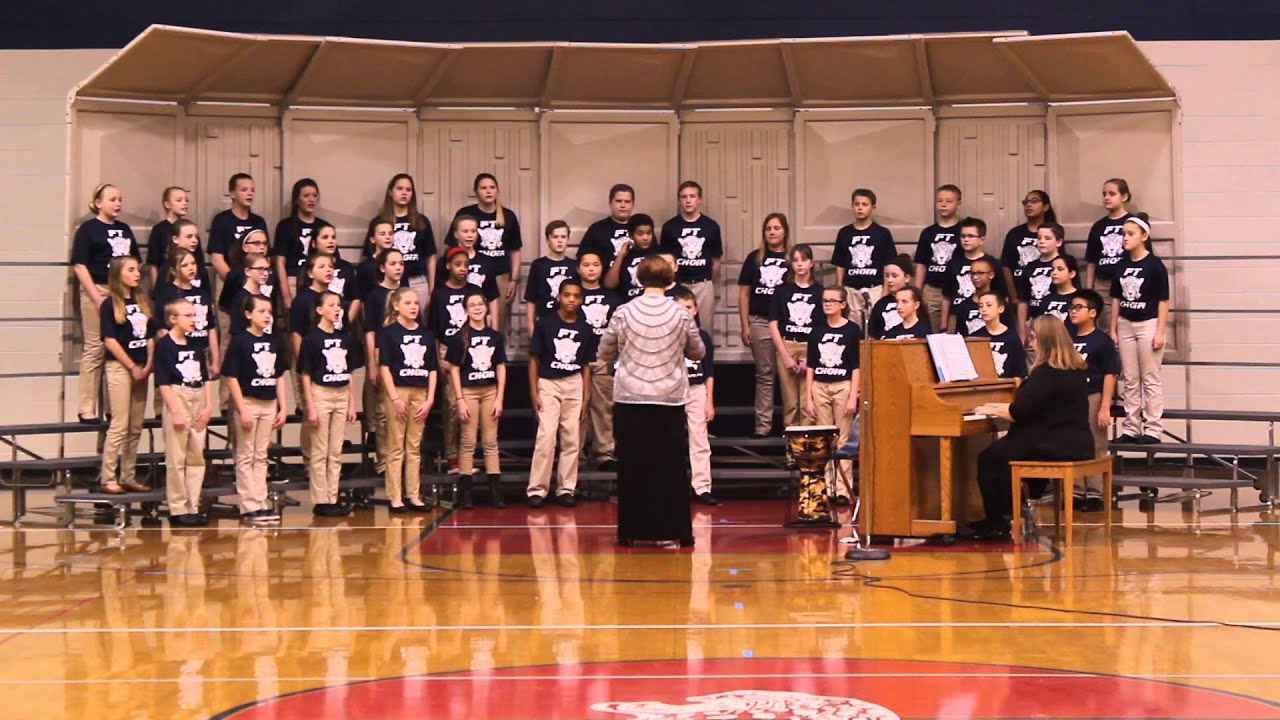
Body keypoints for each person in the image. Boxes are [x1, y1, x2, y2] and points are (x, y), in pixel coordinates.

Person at [598, 255, 705, 547]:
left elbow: (605, 352)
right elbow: (698, 352)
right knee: (670, 468)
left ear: (639, 279)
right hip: (668, 400)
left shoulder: (623, 312)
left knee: (633, 467)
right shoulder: (681, 314)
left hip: (630, 398)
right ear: (670, 280)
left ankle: (631, 532)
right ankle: (678, 532)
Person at [972, 316, 1094, 540]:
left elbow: (1020, 412)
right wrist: (997, 407)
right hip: (1073, 441)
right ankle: (1014, 513)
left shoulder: (1047, 373)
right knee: (1005, 451)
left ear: (1046, 341)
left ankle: (998, 522)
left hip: (1053, 443)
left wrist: (990, 409)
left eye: (1034, 338)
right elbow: (1032, 407)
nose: (1031, 343)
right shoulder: (1072, 369)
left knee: (989, 458)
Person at [71, 183, 140, 424]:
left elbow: (134, 261)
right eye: (112, 199)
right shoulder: (88, 229)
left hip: (120, 291)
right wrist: (97, 297)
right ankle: (86, 406)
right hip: (98, 288)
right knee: (95, 347)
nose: (118, 203)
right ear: (98, 203)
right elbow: (80, 265)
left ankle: (115, 407)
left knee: (118, 347)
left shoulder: (124, 229)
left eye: (120, 199)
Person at [527, 279, 596, 508]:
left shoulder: (585, 328)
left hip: (574, 382)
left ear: (581, 300)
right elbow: (534, 359)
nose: (571, 300)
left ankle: (566, 488)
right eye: (567, 295)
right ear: (559, 297)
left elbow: (586, 365)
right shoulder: (546, 323)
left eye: (576, 296)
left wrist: (586, 397)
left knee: (572, 439)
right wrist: (534, 392)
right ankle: (537, 489)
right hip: (548, 382)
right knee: (546, 437)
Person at [223, 295, 288, 525]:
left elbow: (279, 375)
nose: (267, 315)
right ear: (248, 314)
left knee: (261, 455)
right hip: (248, 402)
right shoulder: (240, 341)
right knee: (246, 455)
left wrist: (283, 405)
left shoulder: (275, 341)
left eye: (269, 311)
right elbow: (231, 377)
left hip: (268, 402)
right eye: (261, 311)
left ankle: (261, 502)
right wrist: (242, 409)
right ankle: (248, 505)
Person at [1110, 213, 1170, 445]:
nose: (1125, 238)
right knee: (1130, 378)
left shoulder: (1155, 266)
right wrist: (1113, 327)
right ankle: (1131, 427)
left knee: (1150, 378)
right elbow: (1115, 297)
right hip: (1126, 323)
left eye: (1130, 234)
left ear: (1144, 236)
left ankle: (1153, 429)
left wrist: (1160, 332)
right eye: (1123, 234)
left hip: (1148, 323)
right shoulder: (1121, 264)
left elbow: (1164, 301)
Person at [378, 287, 438, 513]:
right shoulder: (389, 333)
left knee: (414, 447)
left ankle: (414, 494)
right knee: (396, 447)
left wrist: (430, 398)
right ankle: (395, 496)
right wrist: (394, 398)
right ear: (396, 306)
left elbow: (432, 368)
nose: (413, 307)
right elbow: (384, 367)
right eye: (408, 303)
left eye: (415, 303)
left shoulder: (426, 334)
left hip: (420, 393)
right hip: (398, 392)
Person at [428, 247, 488, 470]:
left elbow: (484, 321)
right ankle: (453, 455)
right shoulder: (439, 294)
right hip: (447, 350)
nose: (462, 269)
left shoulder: (474, 290)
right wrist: (436, 362)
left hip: (474, 349)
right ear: (448, 266)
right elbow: (433, 332)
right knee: (453, 404)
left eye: (465, 264)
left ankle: (468, 454)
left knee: (473, 404)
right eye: (457, 264)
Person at [447, 289, 507, 509]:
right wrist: (460, 398)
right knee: (468, 441)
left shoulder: (495, 337)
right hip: (469, 391)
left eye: (480, 304)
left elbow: (500, 367)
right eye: (472, 305)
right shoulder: (459, 337)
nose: (478, 308)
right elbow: (453, 369)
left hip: (490, 390)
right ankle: (466, 492)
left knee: (491, 442)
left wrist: (500, 397)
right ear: (466, 310)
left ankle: (495, 491)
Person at [155, 298, 213, 527]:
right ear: (173, 319)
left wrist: (208, 406)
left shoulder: (195, 344)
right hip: (178, 396)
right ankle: (178, 507)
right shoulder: (164, 346)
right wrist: (176, 411)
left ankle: (193, 505)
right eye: (187, 315)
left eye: (194, 315)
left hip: (197, 395)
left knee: (197, 456)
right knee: (177, 457)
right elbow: (163, 381)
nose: (193, 319)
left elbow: (205, 376)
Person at [299, 291, 357, 517]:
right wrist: (310, 405)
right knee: (320, 450)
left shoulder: (345, 337)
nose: (337, 309)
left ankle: (332, 497)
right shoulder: (312, 337)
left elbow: (349, 372)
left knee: (335, 450)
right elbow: (305, 374)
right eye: (331, 305)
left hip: (341, 392)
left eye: (339, 305)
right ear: (319, 309)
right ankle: (320, 499)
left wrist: (351, 403)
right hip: (321, 392)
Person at [98, 256, 153, 494]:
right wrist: (131, 366)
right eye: (131, 270)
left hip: (142, 367)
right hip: (121, 367)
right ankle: (108, 476)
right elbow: (109, 340)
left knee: (135, 425)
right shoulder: (110, 304)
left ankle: (129, 475)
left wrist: (148, 364)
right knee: (120, 424)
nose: (137, 273)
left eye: (137, 269)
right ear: (119, 274)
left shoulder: (143, 301)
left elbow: (150, 335)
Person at [804, 285, 861, 504]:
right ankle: (827, 486)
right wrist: (808, 396)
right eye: (825, 300)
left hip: (843, 385)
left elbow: (856, 366)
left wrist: (853, 394)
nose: (827, 304)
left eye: (832, 301)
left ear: (843, 305)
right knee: (825, 438)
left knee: (843, 439)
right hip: (820, 385)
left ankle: (842, 490)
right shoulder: (816, 330)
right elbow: (811, 365)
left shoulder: (852, 330)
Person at [737, 213, 790, 437]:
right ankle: (763, 425)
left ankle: (793, 424)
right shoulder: (755, 258)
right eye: (768, 228)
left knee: (789, 376)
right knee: (765, 373)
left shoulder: (792, 258)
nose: (772, 232)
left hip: (788, 324)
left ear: (785, 231)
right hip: (760, 321)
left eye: (777, 228)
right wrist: (745, 325)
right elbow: (744, 294)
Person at [1068, 289, 1119, 511]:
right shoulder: (1067, 337)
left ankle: (1096, 493)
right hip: (1070, 397)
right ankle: (1076, 491)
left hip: (1093, 395)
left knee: (1096, 444)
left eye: (1078, 307)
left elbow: (1110, 373)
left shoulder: (1102, 341)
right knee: (1073, 444)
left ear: (1092, 312)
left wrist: (1104, 406)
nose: (1073, 311)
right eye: (1071, 307)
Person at [456, 173, 522, 334]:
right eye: (483, 188)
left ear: (497, 191)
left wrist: (513, 280)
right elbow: (455, 248)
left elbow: (515, 251)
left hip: (500, 277)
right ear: (476, 191)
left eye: (492, 187)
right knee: (466, 322)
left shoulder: (508, 216)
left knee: (495, 326)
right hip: (472, 275)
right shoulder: (467, 214)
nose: (488, 191)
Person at [672, 287, 718, 506]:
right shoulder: (667, 334)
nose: (686, 312)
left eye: (689, 307)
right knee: (670, 439)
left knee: (699, 439)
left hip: (697, 388)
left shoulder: (703, 337)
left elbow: (709, 370)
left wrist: (709, 400)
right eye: (680, 308)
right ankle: (672, 486)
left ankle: (702, 486)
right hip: (671, 389)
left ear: (696, 309)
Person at [577, 249, 621, 470]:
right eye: (586, 264)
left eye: (595, 264)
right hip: (577, 360)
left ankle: (604, 451)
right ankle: (576, 452)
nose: (591, 268)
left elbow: (618, 332)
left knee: (603, 406)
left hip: (603, 358)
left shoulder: (611, 298)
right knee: (578, 407)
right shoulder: (573, 296)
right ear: (578, 268)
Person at [363, 248, 406, 475]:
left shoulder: (406, 294)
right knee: (381, 411)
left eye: (401, 263)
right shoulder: (375, 295)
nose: (398, 267)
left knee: (400, 410)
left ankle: (401, 460)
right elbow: (370, 331)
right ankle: (383, 460)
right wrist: (372, 363)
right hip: (381, 353)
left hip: (404, 354)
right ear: (382, 268)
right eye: (393, 263)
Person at [769, 244, 821, 428]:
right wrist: (785, 356)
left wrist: (810, 358)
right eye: (795, 260)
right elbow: (773, 324)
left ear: (811, 263)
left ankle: (807, 453)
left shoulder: (819, 292)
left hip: (810, 347)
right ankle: (792, 453)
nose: (800, 264)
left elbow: (821, 328)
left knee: (808, 401)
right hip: (788, 345)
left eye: (804, 260)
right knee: (791, 404)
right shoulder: (782, 290)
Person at [660, 181, 723, 328]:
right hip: (678, 284)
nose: (688, 200)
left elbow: (716, 261)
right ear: (679, 200)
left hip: (703, 284)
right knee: (674, 327)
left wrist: (710, 284)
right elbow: (664, 261)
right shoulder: (670, 227)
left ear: (699, 199)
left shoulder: (711, 226)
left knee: (704, 330)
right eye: (684, 197)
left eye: (692, 196)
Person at [831, 188, 896, 328]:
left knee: (875, 329)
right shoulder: (844, 233)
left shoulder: (882, 233)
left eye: (864, 204)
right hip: (851, 290)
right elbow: (840, 265)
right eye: (857, 204)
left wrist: (885, 292)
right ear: (852, 206)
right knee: (852, 330)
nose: (860, 208)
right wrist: (840, 290)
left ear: (873, 207)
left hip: (875, 289)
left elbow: (888, 265)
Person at [153, 247, 219, 379]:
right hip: (176, 351)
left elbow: (211, 328)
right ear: (173, 270)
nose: (191, 268)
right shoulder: (167, 293)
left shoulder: (202, 293)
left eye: (193, 264)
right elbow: (161, 328)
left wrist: (215, 360)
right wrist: (174, 349)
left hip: (201, 349)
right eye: (185, 265)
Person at [378, 173, 437, 310]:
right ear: (390, 191)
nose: (404, 193)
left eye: (408, 190)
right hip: (389, 281)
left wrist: (431, 288)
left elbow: (431, 257)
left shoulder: (422, 222)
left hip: (417, 281)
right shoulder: (380, 221)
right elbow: (373, 256)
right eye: (400, 188)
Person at [940, 217, 1005, 333]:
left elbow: (1001, 295)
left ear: (982, 239)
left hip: (985, 316)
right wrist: (944, 326)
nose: (966, 239)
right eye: (963, 236)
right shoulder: (953, 264)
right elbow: (946, 297)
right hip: (957, 316)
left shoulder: (992, 263)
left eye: (970, 236)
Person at [1086, 178, 1134, 332]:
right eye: (1104, 194)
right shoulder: (1099, 226)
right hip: (1103, 284)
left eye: (1112, 194)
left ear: (1124, 197)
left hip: (1127, 281)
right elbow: (1092, 261)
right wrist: (1089, 291)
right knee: (1106, 326)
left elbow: (1144, 256)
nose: (1106, 197)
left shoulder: (1133, 223)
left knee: (1126, 325)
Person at [913, 184, 963, 332]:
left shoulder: (963, 231)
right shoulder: (928, 232)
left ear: (958, 202)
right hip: (932, 289)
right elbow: (921, 265)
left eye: (949, 201)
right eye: (940, 200)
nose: (943, 204)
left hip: (956, 289)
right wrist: (917, 292)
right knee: (932, 332)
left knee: (954, 331)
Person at [273, 178, 325, 310]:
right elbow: (280, 262)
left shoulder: (323, 226)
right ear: (297, 200)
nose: (311, 199)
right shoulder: (286, 226)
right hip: (293, 279)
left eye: (314, 195)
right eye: (306, 195)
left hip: (317, 280)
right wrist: (286, 295)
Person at [208, 173, 268, 281]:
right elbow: (216, 258)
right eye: (244, 190)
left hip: (256, 279)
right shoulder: (221, 220)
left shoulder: (259, 222)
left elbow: (265, 254)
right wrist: (232, 281)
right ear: (232, 194)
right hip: (228, 278)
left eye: (252, 190)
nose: (249, 193)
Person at [1016, 222, 1068, 343]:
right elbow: (1023, 301)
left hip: (1058, 323)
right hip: (1035, 322)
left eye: (1047, 238)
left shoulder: (1065, 264)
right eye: (1039, 238)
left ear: (1059, 242)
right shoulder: (1029, 267)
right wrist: (1022, 331)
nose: (1042, 241)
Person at [1001, 190, 1056, 303]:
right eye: (1026, 202)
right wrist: (1013, 296)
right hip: (1020, 290)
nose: (1028, 205)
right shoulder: (1015, 234)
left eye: (1034, 201)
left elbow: (1059, 261)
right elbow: (1006, 266)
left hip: (1046, 293)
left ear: (1045, 207)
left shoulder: (1053, 232)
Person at [524, 220, 578, 330]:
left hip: (569, 323)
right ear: (548, 240)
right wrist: (530, 325)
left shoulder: (574, 266)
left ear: (568, 240)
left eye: (563, 237)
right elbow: (531, 298)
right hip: (544, 322)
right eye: (555, 237)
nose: (559, 241)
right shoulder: (538, 265)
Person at [146, 187, 196, 288]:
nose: (184, 203)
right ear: (167, 204)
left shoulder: (189, 228)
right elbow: (153, 263)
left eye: (186, 200)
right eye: (179, 200)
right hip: (166, 281)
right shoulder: (159, 229)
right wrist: (156, 288)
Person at [578, 184, 635, 272]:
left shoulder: (642, 228)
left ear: (633, 204)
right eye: (618, 201)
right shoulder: (597, 229)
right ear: (610, 203)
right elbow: (582, 259)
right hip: (604, 282)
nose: (623, 205)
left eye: (627, 201)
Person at [950, 257, 1011, 338]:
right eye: (972, 273)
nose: (975, 277)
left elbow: (1009, 332)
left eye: (980, 273)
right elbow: (960, 334)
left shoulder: (999, 302)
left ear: (991, 275)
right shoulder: (963, 306)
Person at [972, 291, 1027, 379]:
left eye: (989, 305)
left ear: (1000, 309)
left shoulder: (1012, 338)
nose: (984, 309)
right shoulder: (975, 337)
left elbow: (1020, 372)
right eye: (980, 306)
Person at [606, 213, 660, 299]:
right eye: (640, 234)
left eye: (649, 233)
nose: (645, 238)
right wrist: (621, 255)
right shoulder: (625, 256)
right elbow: (610, 284)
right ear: (631, 235)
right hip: (629, 302)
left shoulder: (658, 254)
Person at [866, 255, 915, 340]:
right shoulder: (881, 304)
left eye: (894, 276)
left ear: (907, 278)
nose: (890, 280)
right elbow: (873, 332)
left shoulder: (916, 301)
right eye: (887, 276)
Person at [226, 252, 274, 339]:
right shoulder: (240, 298)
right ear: (247, 271)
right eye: (260, 269)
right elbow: (236, 330)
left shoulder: (265, 296)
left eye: (267, 269)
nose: (266, 273)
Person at [1042, 255, 1080, 324]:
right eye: (1052, 269)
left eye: (1060, 269)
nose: (1054, 273)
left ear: (1072, 274)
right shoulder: (1046, 299)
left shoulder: (1080, 298)